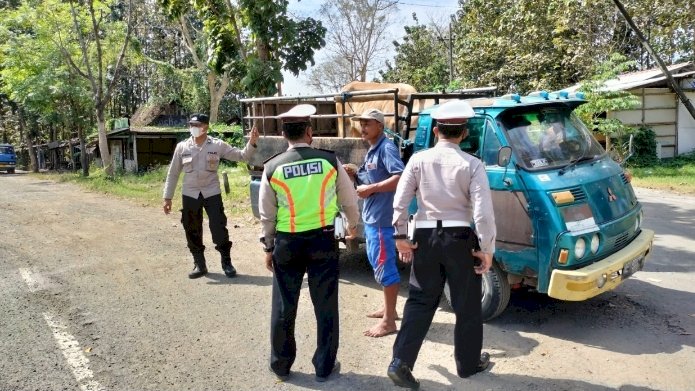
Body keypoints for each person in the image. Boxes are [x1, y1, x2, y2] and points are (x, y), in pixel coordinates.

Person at [386, 100, 496, 390]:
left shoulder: (418, 160)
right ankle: (468, 364)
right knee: (467, 304)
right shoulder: (472, 164)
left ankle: (400, 362)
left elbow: (399, 201)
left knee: (420, 302)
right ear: (462, 134)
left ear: (436, 131)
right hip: (459, 239)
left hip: (424, 238)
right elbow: (483, 213)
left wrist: (399, 237)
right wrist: (487, 249)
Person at [259, 104, 360, 382]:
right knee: (325, 306)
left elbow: (267, 215)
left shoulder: (272, 167)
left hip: (287, 244)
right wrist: (352, 225)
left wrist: (268, 247)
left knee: (284, 306)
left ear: (283, 134)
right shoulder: (329, 161)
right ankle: (324, 366)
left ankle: (281, 366)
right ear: (309, 132)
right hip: (323, 241)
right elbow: (348, 199)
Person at [162, 113, 259, 279]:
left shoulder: (217, 145)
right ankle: (199, 264)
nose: (192, 127)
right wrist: (167, 197)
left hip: (212, 192)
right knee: (191, 228)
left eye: (196, 125)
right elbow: (173, 174)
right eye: (191, 124)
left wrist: (252, 142)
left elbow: (241, 156)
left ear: (205, 127)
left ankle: (226, 263)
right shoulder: (182, 147)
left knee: (219, 228)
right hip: (190, 193)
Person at [343, 108, 404, 338]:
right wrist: (356, 175)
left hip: (382, 221)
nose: (363, 127)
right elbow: (373, 180)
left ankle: (389, 322)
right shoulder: (372, 150)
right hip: (373, 218)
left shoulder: (386, 148)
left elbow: (400, 177)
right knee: (380, 266)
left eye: (368, 123)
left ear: (380, 125)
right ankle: (389, 309)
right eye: (362, 123)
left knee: (385, 268)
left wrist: (372, 188)